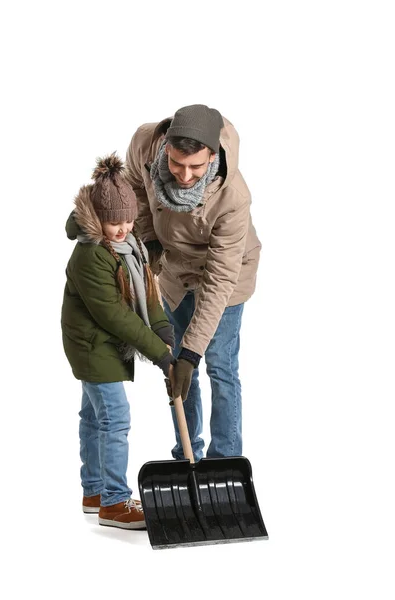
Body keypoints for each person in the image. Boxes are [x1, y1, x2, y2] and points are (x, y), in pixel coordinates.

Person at [124, 104, 262, 461]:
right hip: (174, 269)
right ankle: (188, 455)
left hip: (225, 275)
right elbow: (136, 188)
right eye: (176, 164)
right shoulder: (145, 143)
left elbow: (220, 280)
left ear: (212, 157)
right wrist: (149, 241)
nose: (184, 176)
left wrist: (191, 351)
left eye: (196, 167)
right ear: (165, 147)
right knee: (178, 371)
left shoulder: (234, 198)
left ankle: (225, 460)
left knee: (217, 364)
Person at [61, 153, 175, 529]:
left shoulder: (132, 246)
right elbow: (116, 315)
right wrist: (158, 354)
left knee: (94, 416)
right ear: (96, 219)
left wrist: (165, 335)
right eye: (114, 222)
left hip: (101, 342)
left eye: (128, 219)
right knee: (114, 418)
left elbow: (149, 294)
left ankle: (94, 491)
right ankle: (113, 501)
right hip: (94, 344)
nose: (123, 227)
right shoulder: (91, 254)